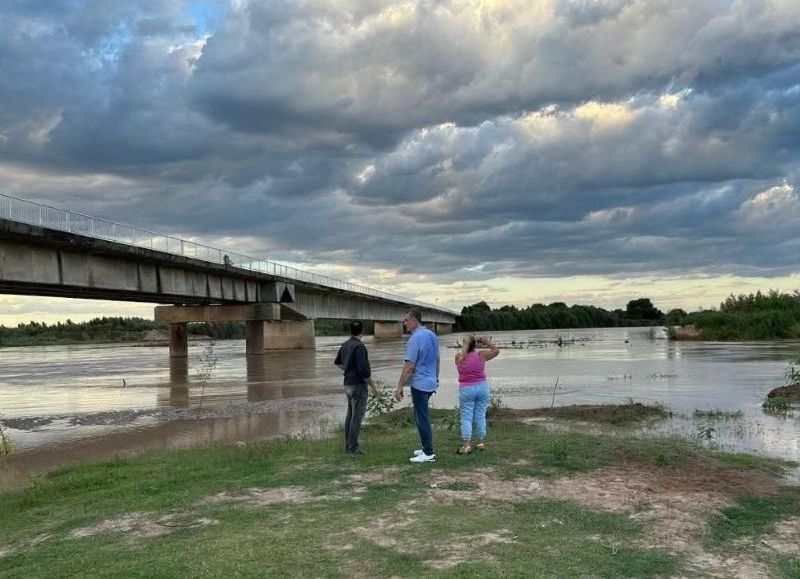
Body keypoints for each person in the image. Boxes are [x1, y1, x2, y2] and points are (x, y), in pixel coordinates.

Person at [394, 310, 440, 463]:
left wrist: (400, 386)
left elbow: (409, 365)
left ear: (414, 320)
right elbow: (437, 359)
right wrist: (436, 378)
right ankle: (425, 446)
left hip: (420, 383)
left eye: (406, 320)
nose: (404, 323)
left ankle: (428, 452)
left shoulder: (415, 338)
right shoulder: (432, 335)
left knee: (421, 417)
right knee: (421, 415)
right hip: (431, 381)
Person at [335, 321, 377, 454]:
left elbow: (337, 362)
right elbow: (364, 372)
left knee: (350, 415)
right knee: (357, 417)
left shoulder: (345, 344)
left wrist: (348, 369)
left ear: (351, 331)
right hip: (358, 385)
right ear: (362, 331)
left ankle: (348, 445)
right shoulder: (359, 347)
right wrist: (373, 387)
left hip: (347, 384)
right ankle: (353, 448)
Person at [454, 335, 500, 454]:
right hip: (482, 387)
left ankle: (467, 444)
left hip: (467, 389)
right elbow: (496, 351)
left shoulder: (458, 357)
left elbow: (460, 360)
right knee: (480, 414)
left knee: (466, 416)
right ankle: (480, 442)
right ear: (475, 344)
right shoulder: (481, 355)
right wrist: (487, 342)